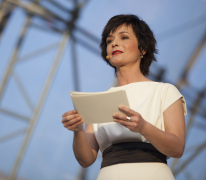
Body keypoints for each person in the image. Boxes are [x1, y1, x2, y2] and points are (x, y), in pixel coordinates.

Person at [61, 14, 187, 180]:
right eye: (109, 41)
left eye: (124, 37)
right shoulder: (99, 100)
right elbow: (86, 159)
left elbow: (177, 148)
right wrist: (77, 131)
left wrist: (143, 127)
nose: (114, 43)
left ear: (143, 49)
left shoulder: (165, 91)